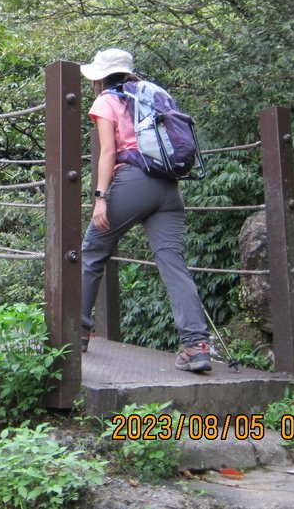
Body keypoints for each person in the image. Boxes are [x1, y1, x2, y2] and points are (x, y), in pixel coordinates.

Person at [78, 47, 212, 373]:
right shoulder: (152, 95)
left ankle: (76, 331)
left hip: (134, 183)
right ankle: (196, 346)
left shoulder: (105, 101)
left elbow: (108, 152)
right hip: (168, 188)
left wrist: (100, 197)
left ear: (99, 79)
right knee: (173, 265)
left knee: (92, 251)